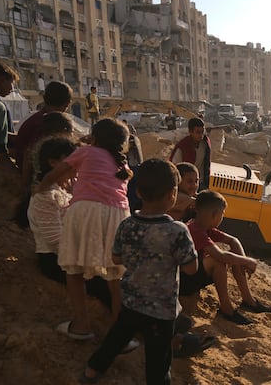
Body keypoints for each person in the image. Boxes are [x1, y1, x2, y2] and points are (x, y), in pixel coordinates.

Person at [80, 159, 198, 384]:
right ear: (173, 194)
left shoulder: (127, 224)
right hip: (161, 311)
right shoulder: (177, 231)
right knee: (158, 360)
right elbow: (191, 268)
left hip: (131, 301)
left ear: (140, 192)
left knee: (116, 339)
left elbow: (116, 257)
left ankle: (91, 371)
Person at [36, 118, 133, 339]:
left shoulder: (87, 152)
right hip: (119, 215)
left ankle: (81, 325)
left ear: (95, 137)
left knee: (75, 270)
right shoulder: (123, 166)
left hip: (86, 210)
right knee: (115, 276)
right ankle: (120, 335)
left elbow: (55, 174)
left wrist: (38, 190)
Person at [28, 137, 112, 308]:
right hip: (56, 260)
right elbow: (55, 240)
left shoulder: (62, 192)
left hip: (74, 254)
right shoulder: (46, 197)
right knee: (108, 286)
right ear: (53, 163)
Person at [179, 190, 271, 325]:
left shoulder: (204, 226)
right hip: (184, 282)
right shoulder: (195, 230)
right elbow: (221, 255)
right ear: (214, 214)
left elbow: (233, 240)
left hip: (193, 275)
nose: (222, 217)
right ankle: (227, 309)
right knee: (218, 261)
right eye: (222, 214)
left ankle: (247, 299)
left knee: (231, 255)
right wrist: (249, 261)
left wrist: (243, 260)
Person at [15, 81, 73, 181]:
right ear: (67, 104)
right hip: (35, 176)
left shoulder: (38, 118)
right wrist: (26, 185)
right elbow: (28, 154)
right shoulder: (45, 123)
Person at [170, 117, 211, 191]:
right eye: (198, 132)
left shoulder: (205, 143)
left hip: (200, 183)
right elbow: (174, 168)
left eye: (202, 132)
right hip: (185, 186)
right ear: (190, 131)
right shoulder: (182, 147)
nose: (201, 135)